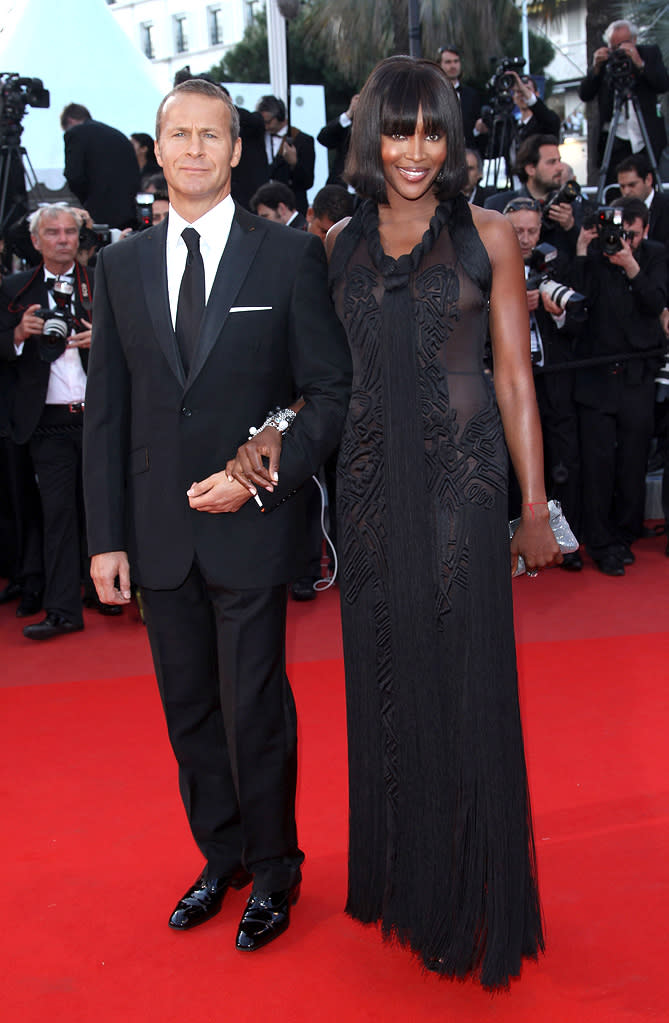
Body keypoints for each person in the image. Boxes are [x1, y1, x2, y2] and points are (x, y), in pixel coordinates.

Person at [227, 56, 559, 989]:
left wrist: (533, 508)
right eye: (398, 131)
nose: (415, 152)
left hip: (461, 484)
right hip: (370, 490)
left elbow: (512, 379)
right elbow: (319, 385)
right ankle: (407, 880)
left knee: (460, 684)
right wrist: (273, 433)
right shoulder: (333, 245)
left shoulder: (490, 233)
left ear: (452, 139)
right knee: (386, 687)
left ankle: (466, 890)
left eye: (432, 132)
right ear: (371, 132)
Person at [83, 78, 351, 950]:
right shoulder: (118, 266)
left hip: (252, 524)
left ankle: (275, 867)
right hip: (158, 534)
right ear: (155, 151)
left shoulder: (286, 256)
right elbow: (107, 414)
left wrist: (261, 473)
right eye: (178, 136)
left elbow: (325, 393)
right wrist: (105, 539)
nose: (194, 150)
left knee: (254, 705)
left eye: (212, 136)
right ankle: (222, 853)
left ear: (238, 150)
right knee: (188, 707)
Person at [0, 203, 113, 639]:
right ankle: (63, 609)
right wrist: (16, 334)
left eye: (69, 232)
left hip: (98, 417)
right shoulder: (14, 289)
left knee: (105, 511)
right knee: (59, 517)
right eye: (53, 232)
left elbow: (139, 341)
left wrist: (101, 339)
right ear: (36, 240)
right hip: (46, 421)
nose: (63, 239)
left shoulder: (103, 282)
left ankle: (107, 592)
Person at [571, 196, 666, 575]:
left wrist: (630, 265)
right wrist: (581, 250)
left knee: (632, 462)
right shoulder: (593, 255)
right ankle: (600, 540)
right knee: (597, 465)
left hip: (638, 378)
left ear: (644, 231)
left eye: (632, 235)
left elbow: (655, 301)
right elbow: (575, 306)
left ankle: (624, 534)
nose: (623, 241)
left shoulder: (655, 256)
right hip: (595, 377)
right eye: (619, 234)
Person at [578, 20, 669, 178]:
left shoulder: (649, 53)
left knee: (647, 182)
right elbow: (585, 94)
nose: (619, 51)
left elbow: (662, 84)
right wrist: (596, 69)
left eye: (623, 45)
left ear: (634, 40)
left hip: (645, 137)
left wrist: (639, 63)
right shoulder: (605, 61)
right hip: (615, 139)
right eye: (614, 47)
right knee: (615, 185)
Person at [61, 104, 141, 229]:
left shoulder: (75, 133)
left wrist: (85, 201)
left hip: (99, 211)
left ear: (70, 121)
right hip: (128, 211)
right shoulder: (116, 134)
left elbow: (74, 175)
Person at [256, 95, 315, 215]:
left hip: (291, 207)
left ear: (281, 117)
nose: (265, 126)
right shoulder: (258, 139)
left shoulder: (302, 140)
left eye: (268, 122)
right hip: (263, 208)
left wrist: (294, 164)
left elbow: (308, 181)